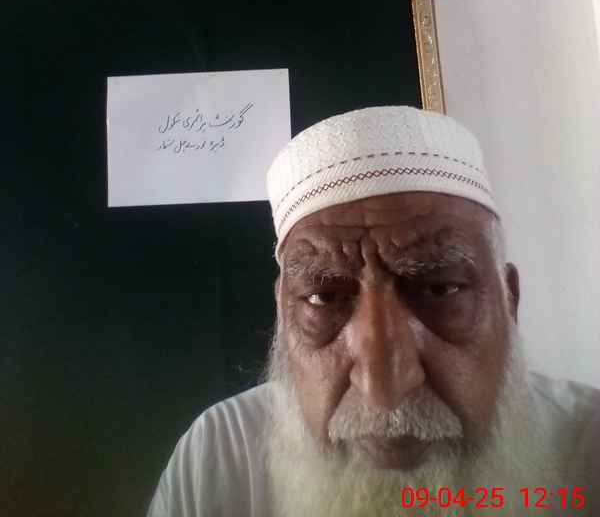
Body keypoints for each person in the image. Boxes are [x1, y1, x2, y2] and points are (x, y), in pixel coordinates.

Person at [146, 106, 599, 516]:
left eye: (439, 288)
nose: (385, 394)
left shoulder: (589, 447)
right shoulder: (220, 455)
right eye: (324, 298)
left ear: (509, 301)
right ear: (284, 315)